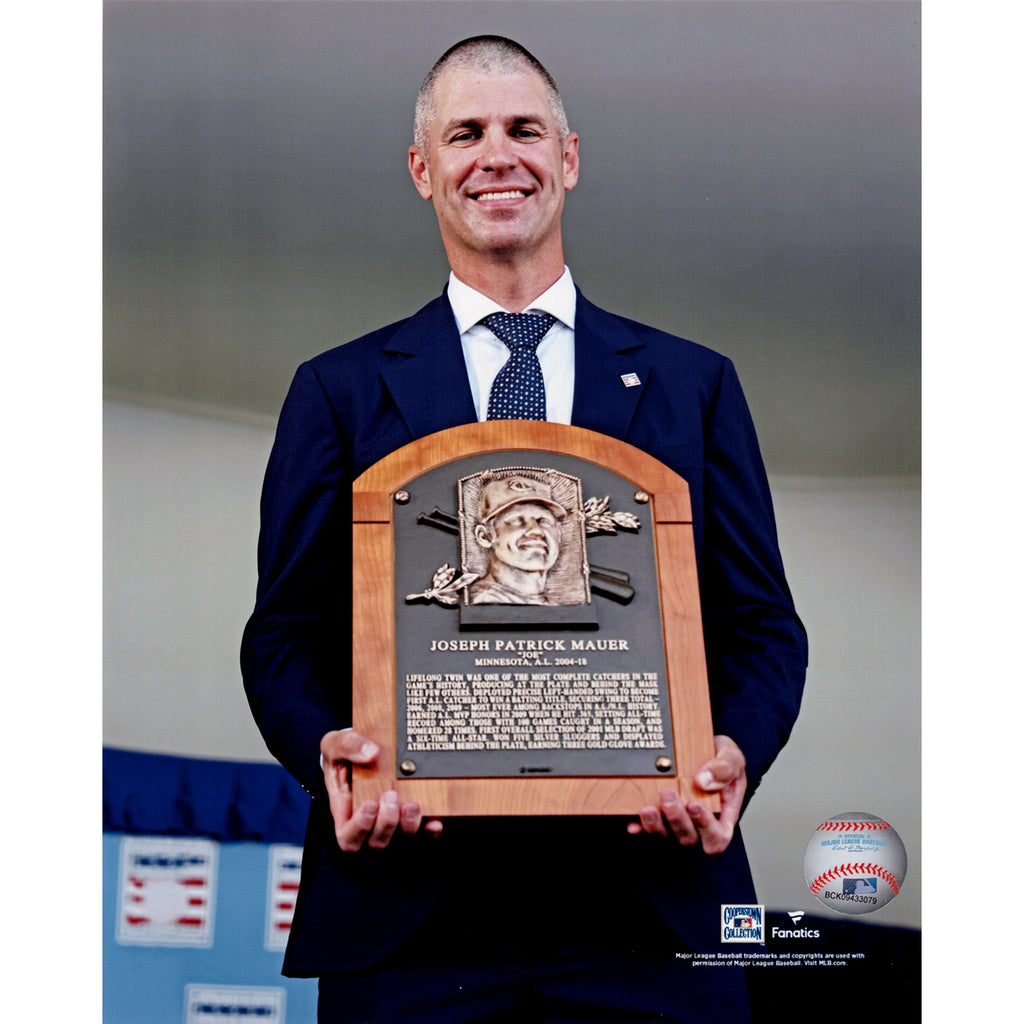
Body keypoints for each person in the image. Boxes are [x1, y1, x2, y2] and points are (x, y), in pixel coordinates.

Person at [242, 35, 807, 1023]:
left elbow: (763, 626)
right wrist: (325, 744)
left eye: (522, 130)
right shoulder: (334, 391)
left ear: (569, 157)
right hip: (412, 916)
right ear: (424, 170)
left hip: (648, 907)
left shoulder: (692, 384)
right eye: (465, 133)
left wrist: (731, 752)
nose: (496, 154)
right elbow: (283, 631)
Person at [469, 474, 567, 605]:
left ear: (559, 534)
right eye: (516, 520)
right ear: (484, 536)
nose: (536, 530)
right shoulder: (481, 603)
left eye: (543, 521)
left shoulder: (554, 607)